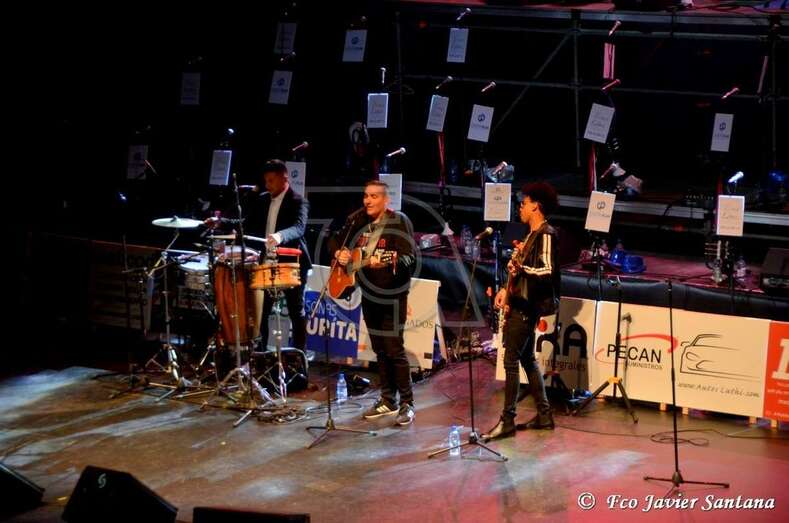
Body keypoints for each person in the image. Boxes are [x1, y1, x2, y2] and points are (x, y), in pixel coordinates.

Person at [331, 180, 417, 426]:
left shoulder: (398, 221)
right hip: (368, 293)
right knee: (379, 349)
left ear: (386, 200)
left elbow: (409, 258)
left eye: (374, 196)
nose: (368, 201)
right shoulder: (359, 221)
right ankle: (388, 399)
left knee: (394, 349)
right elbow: (334, 239)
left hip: (392, 295)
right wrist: (339, 252)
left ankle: (407, 403)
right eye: (366, 196)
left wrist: (389, 263)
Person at [482, 181, 560, 441]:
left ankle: (507, 420)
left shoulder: (546, 234)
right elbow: (520, 273)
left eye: (524, 203)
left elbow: (546, 271)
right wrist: (506, 289)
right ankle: (544, 415)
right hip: (519, 302)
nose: (520, 208)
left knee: (511, 360)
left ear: (536, 206)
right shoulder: (531, 235)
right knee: (527, 359)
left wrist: (521, 268)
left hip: (527, 306)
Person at [245, 159, 312, 352]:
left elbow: (299, 228)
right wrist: (220, 222)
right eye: (266, 181)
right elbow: (246, 223)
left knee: (295, 309)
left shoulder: (298, 201)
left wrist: (280, 236)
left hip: (292, 262)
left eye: (271, 180)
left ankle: (299, 354)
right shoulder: (263, 199)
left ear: (284, 178)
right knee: (262, 310)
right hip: (267, 262)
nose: (268, 185)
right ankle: (261, 354)